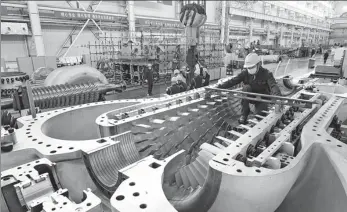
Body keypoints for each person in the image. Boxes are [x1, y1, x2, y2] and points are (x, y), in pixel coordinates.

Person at [217, 53, 282, 124]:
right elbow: (233, 81)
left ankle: (258, 114)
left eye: (251, 67)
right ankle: (244, 115)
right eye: (248, 68)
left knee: (260, 116)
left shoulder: (266, 73)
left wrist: (278, 99)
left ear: (259, 64)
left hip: (262, 98)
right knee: (246, 88)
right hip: (250, 96)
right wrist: (219, 86)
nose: (250, 69)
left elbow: (273, 86)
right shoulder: (245, 73)